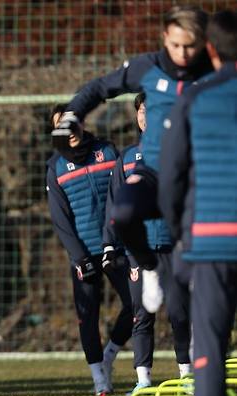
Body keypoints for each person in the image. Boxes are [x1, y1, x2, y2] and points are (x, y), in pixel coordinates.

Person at [54, 5, 213, 314]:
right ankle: (150, 267)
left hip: (196, 175)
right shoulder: (147, 67)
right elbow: (99, 88)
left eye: (190, 45)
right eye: (176, 44)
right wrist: (71, 116)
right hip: (153, 171)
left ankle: (197, 281)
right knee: (124, 213)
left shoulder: (211, 72)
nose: (182, 52)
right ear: (165, 37)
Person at [159, 10, 237, 396]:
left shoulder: (195, 97)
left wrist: (178, 233)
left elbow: (170, 177)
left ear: (210, 49)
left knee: (208, 351)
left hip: (211, 245)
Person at [105, 93, 191, 393]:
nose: (146, 116)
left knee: (180, 312)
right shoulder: (126, 158)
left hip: (171, 246)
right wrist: (110, 244)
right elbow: (114, 204)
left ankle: (187, 375)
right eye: (142, 111)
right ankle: (143, 380)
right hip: (137, 252)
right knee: (140, 314)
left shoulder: (177, 153)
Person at [47, 104, 133, 395]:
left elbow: (128, 193)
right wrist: (79, 256)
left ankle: (109, 356)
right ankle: (98, 378)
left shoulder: (108, 151)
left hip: (118, 246)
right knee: (88, 316)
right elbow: (60, 220)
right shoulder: (55, 167)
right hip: (83, 253)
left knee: (137, 304)